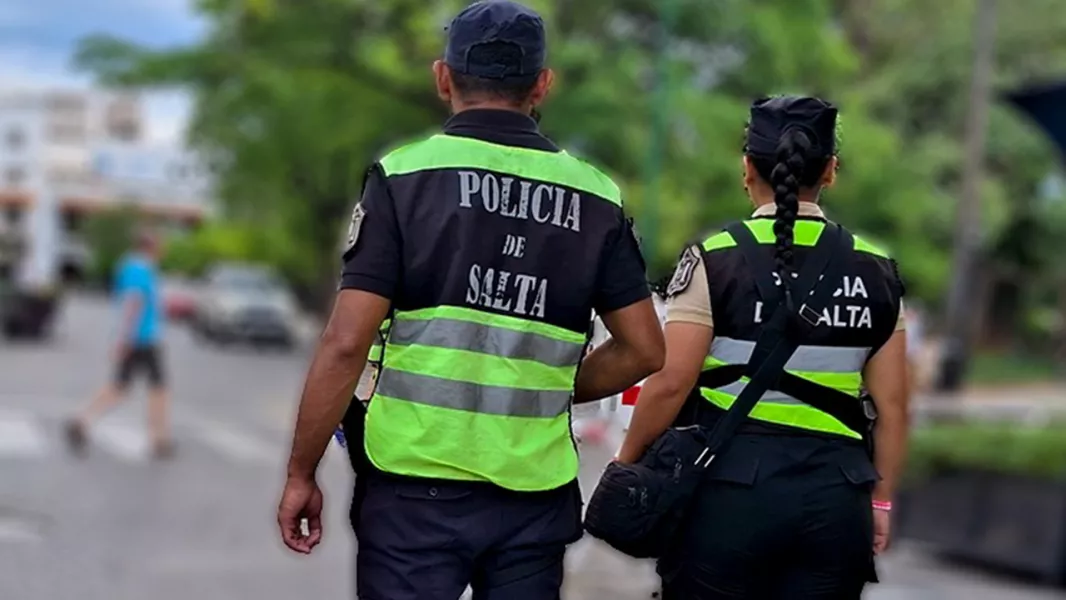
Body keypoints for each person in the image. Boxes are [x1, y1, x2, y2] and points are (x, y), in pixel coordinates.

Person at [277, 2, 665, 598]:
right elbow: (643, 348)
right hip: (533, 494)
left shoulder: (403, 178)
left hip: (411, 490)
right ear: (542, 85)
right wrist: (552, 383)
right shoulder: (596, 197)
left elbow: (347, 342)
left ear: (442, 77)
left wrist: (302, 472)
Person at [615, 96, 910, 599]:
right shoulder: (876, 269)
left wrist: (627, 464)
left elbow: (671, 383)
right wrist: (880, 503)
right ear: (832, 171)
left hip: (728, 496)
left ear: (747, 167)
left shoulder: (715, 258)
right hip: (836, 501)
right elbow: (894, 407)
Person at [66, 232, 172, 458]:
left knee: (121, 387)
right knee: (157, 388)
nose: (164, 251)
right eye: (161, 245)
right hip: (143, 339)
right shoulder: (138, 270)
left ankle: (81, 421)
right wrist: (124, 339)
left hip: (141, 338)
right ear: (150, 247)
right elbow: (132, 304)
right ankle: (158, 439)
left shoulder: (135, 268)